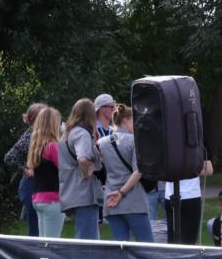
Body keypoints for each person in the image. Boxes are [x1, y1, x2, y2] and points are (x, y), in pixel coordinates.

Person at [99, 105, 153, 243]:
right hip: (133, 200)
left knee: (120, 246)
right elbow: (138, 171)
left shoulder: (101, 143)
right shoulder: (135, 141)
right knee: (146, 244)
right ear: (126, 120)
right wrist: (122, 193)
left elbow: (95, 166)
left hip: (111, 200)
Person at [58, 99, 104, 240]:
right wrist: (87, 173)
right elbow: (83, 158)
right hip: (84, 193)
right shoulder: (81, 133)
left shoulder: (66, 133)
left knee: (84, 236)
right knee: (88, 240)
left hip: (71, 189)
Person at [4, 102, 47, 236]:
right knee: (36, 229)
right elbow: (9, 157)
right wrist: (25, 169)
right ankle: (34, 256)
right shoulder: (30, 136)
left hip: (39, 186)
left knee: (42, 229)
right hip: (30, 187)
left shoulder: (42, 135)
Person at [26, 106, 65, 238]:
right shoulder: (52, 146)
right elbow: (66, 168)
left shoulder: (36, 146)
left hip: (38, 198)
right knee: (52, 243)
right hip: (53, 199)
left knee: (44, 242)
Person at [164, 157, 213, 245]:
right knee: (188, 244)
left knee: (173, 244)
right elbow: (208, 169)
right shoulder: (199, 142)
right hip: (190, 196)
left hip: (172, 195)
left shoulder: (165, 142)